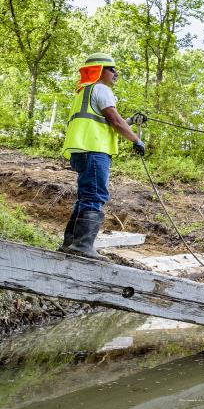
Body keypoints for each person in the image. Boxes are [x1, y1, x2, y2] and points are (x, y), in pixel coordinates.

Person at [60, 53, 146, 260]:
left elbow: (104, 122)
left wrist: (131, 121)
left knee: (84, 197)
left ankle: (71, 244)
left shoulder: (84, 92)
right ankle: (82, 246)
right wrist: (136, 140)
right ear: (99, 70)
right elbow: (115, 122)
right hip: (95, 150)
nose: (116, 73)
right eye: (111, 69)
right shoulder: (102, 89)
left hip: (81, 150)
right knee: (95, 196)